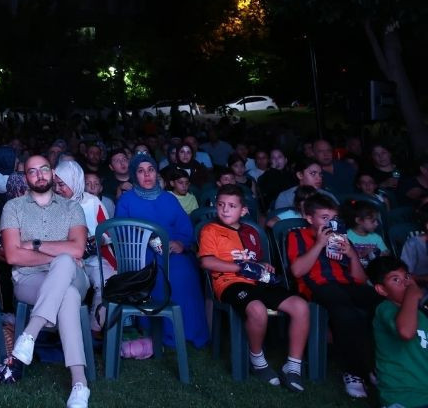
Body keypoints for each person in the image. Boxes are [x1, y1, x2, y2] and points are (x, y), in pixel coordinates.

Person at [198, 185, 309, 390]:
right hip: (229, 283)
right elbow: (207, 263)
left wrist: (262, 265)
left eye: (232, 206)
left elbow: (256, 260)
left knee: (300, 306)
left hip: (258, 282)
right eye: (221, 205)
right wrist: (240, 267)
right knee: (257, 309)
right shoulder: (210, 230)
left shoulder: (251, 232)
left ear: (243, 211)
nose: (225, 209)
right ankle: (257, 360)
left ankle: (293, 366)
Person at [2, 155, 90, 408]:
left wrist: (36, 244)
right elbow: (12, 255)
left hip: (74, 274)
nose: (39, 175)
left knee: (64, 263)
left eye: (44, 169)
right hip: (30, 278)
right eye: (32, 171)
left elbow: (78, 249)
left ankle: (29, 335)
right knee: (68, 294)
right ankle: (80, 383)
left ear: (51, 173)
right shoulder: (14, 207)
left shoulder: (72, 207)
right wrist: (60, 252)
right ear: (26, 177)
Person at [285, 193, 382, 398]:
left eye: (333, 218)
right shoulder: (297, 235)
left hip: (345, 284)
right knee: (348, 314)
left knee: (380, 303)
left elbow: (360, 279)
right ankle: (354, 372)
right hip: (317, 285)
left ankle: (373, 365)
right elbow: (297, 272)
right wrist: (319, 243)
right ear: (310, 218)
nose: (331, 223)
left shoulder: (342, 237)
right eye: (324, 218)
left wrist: (351, 255)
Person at [114, 153, 210, 349]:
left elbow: (185, 228)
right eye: (141, 171)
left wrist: (180, 244)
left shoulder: (169, 198)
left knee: (183, 273)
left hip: (172, 251)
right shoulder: (126, 200)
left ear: (156, 173)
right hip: (140, 255)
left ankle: (188, 333)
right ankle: (159, 333)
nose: (147, 175)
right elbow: (120, 233)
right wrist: (144, 241)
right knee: (155, 274)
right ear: (134, 175)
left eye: (150, 170)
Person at [53, 160, 115, 330]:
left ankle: (94, 329)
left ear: (75, 181)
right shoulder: (53, 204)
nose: (57, 189)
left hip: (95, 258)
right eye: (55, 184)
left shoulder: (92, 202)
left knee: (107, 282)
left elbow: (108, 232)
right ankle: (64, 330)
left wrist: (95, 242)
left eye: (61, 184)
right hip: (67, 260)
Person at [366, 255, 428, 408]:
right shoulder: (385, 309)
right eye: (395, 279)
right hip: (404, 397)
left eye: (406, 277)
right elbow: (406, 332)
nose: (405, 283)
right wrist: (413, 294)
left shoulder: (421, 315)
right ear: (381, 289)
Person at [345, 202, 389, 266]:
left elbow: (386, 253)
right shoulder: (347, 236)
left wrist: (383, 254)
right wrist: (362, 254)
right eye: (373, 221)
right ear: (358, 220)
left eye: (377, 221)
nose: (377, 224)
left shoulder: (376, 237)